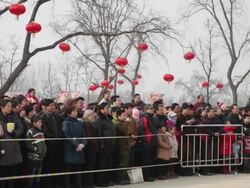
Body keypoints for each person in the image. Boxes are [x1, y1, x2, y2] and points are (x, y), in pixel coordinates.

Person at [0, 99, 24, 188]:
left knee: (12, 175)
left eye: (11, 106)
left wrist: (15, 133)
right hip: (2, 149)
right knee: (3, 175)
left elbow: (21, 128)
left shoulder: (14, 115)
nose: (10, 108)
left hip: (14, 148)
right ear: (2, 107)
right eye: (8, 106)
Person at [62, 106, 87, 188]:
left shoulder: (79, 122)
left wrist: (83, 144)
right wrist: (76, 144)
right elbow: (66, 135)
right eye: (74, 111)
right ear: (69, 113)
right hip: (70, 149)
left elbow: (84, 135)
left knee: (78, 169)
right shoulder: (65, 122)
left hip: (80, 148)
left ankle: (79, 185)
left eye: (76, 111)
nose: (76, 113)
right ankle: (67, 185)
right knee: (68, 169)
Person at [38, 99, 59, 188]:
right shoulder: (41, 117)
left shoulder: (55, 116)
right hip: (47, 145)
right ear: (45, 107)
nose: (53, 107)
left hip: (55, 144)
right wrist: (53, 139)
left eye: (54, 105)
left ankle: (51, 183)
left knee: (52, 165)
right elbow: (45, 132)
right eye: (51, 105)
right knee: (46, 166)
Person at [94, 102, 115, 187]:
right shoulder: (99, 119)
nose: (108, 109)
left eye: (108, 107)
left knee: (108, 163)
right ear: (101, 109)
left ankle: (106, 180)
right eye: (106, 107)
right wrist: (101, 143)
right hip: (104, 144)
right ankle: (100, 181)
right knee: (102, 163)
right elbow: (98, 132)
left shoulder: (109, 119)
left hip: (110, 144)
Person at [136, 104, 157, 182]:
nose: (153, 110)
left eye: (153, 108)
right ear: (147, 109)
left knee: (151, 159)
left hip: (152, 141)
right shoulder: (144, 118)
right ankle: (146, 176)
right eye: (151, 109)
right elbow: (141, 130)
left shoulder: (152, 118)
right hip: (147, 142)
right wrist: (144, 141)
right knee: (146, 160)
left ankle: (150, 174)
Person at [26, 115, 47, 188]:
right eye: (39, 122)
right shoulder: (30, 131)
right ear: (34, 123)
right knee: (31, 176)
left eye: (41, 122)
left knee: (38, 176)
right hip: (33, 158)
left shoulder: (41, 132)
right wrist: (35, 149)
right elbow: (28, 143)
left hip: (41, 157)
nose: (41, 124)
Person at [82, 110, 99, 188]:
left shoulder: (89, 124)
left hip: (91, 148)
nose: (94, 117)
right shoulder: (87, 124)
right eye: (92, 115)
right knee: (89, 166)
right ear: (88, 116)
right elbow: (89, 137)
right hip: (90, 148)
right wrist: (97, 142)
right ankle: (87, 183)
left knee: (91, 166)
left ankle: (89, 182)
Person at [115, 109, 131, 185]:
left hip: (127, 146)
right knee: (122, 163)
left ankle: (124, 176)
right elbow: (123, 130)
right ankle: (120, 177)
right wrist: (127, 122)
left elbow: (127, 132)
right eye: (123, 115)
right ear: (118, 116)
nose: (125, 117)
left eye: (125, 115)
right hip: (121, 146)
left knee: (126, 162)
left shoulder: (125, 123)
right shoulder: (118, 124)